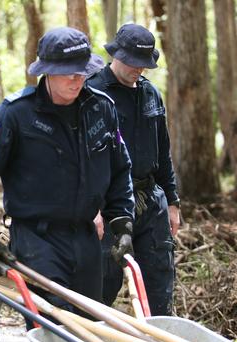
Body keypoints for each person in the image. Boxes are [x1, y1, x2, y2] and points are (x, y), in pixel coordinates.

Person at [0, 26, 135, 342]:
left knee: (89, 334)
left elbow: (119, 170)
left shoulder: (101, 109)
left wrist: (122, 222)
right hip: (37, 242)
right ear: (47, 72)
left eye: (82, 72)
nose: (76, 80)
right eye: (67, 73)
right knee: (53, 334)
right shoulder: (15, 115)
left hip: (87, 240)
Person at [87, 23, 181, 316]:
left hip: (151, 200)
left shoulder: (151, 94)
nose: (137, 70)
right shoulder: (92, 93)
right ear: (116, 54)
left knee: (159, 282)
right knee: (102, 284)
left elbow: (162, 152)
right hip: (109, 201)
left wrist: (173, 201)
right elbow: (81, 159)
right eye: (131, 63)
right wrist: (90, 207)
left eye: (143, 65)